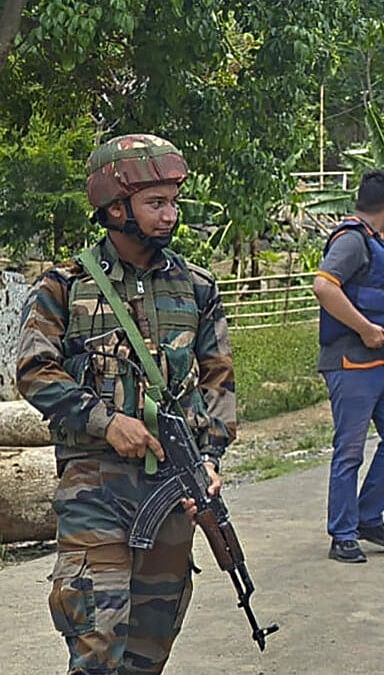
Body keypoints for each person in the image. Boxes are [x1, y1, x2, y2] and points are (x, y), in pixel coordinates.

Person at [17, 134, 234, 672]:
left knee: (148, 648)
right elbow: (33, 370)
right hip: (96, 490)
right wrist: (105, 421)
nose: (170, 216)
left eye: (173, 202)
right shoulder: (64, 288)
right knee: (98, 642)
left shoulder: (196, 287)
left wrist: (208, 458)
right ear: (117, 209)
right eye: (155, 203)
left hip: (170, 493)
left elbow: (219, 380)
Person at [313, 170, 384, 563]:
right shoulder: (351, 240)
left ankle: (367, 516)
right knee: (350, 450)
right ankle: (343, 534)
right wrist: (366, 328)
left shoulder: (379, 245)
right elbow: (323, 286)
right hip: (352, 363)